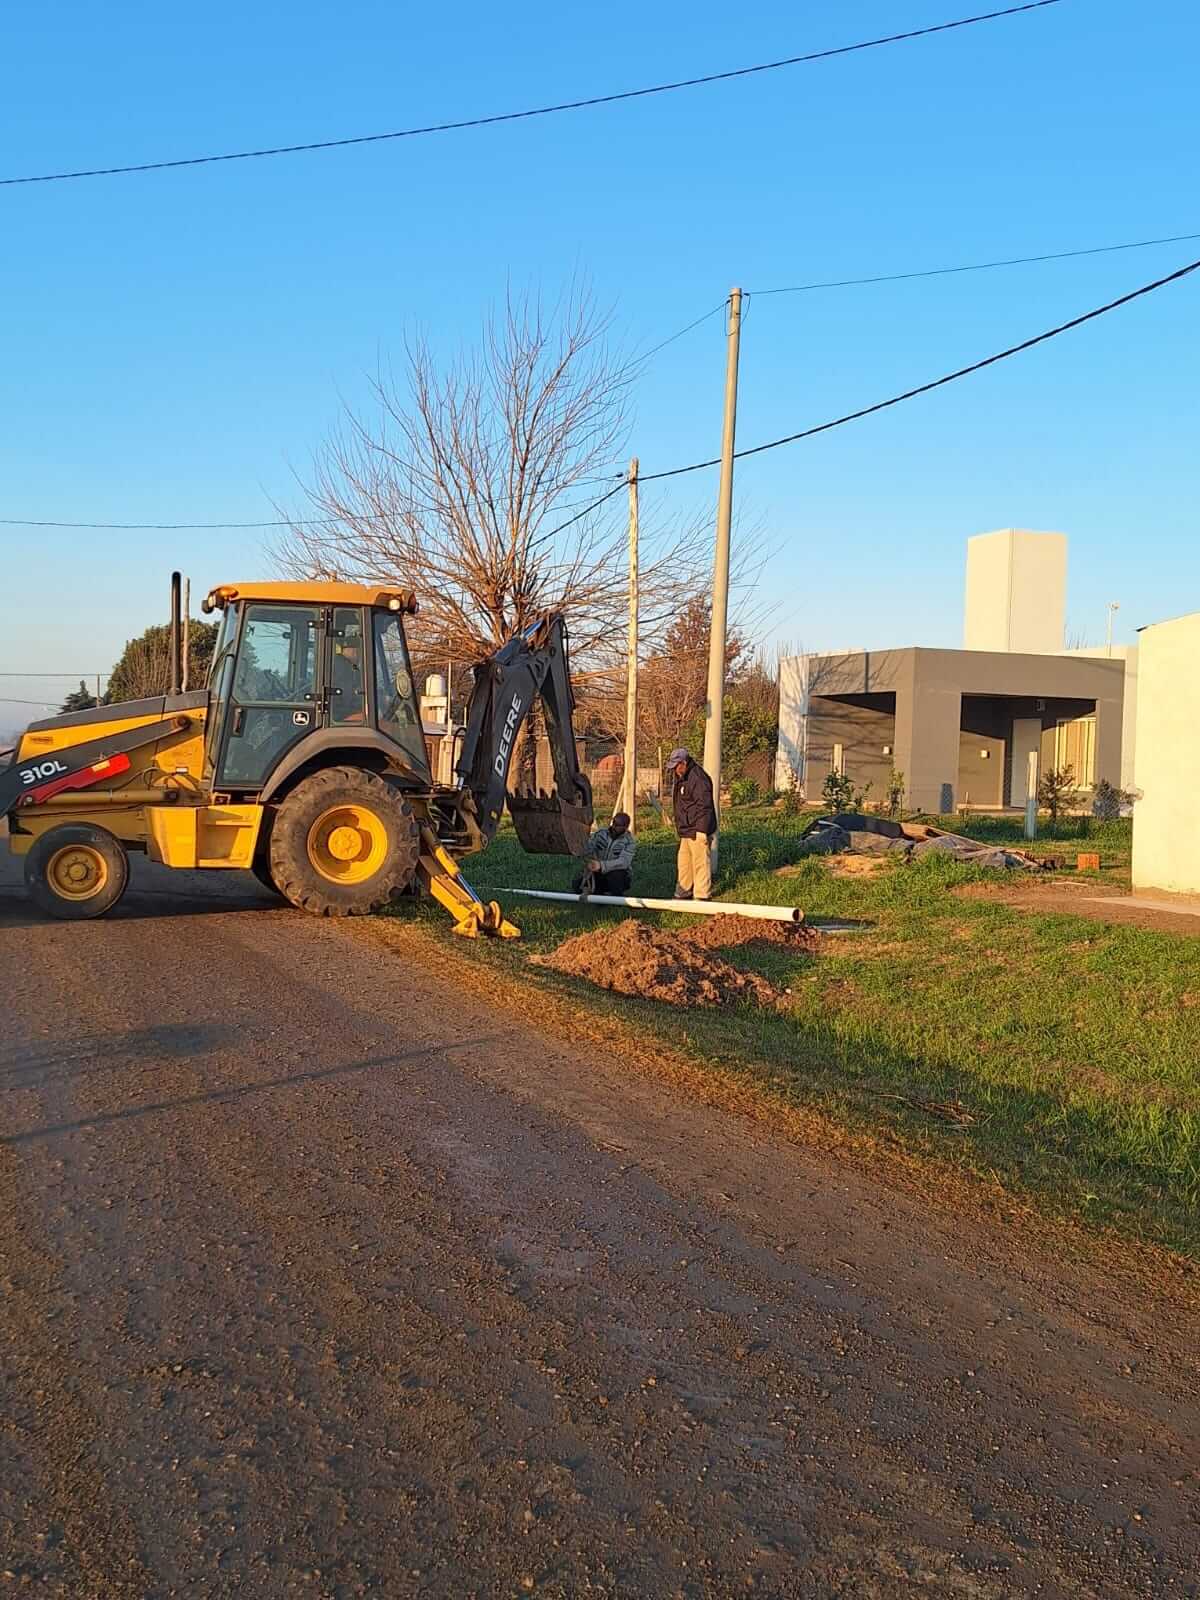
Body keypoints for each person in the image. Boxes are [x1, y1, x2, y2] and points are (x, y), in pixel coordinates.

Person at [669, 746, 716, 900]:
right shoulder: (682, 777)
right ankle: (684, 891)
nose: (675, 770)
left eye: (676, 766)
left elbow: (705, 806)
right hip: (686, 830)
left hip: (697, 828)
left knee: (700, 862)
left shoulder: (698, 778)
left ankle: (702, 895)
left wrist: (702, 831)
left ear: (684, 762)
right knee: (684, 863)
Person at [573, 812, 636, 896]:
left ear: (625, 827)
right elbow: (589, 847)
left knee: (616, 877)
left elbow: (624, 862)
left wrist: (601, 865)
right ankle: (600, 893)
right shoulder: (600, 834)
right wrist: (579, 847)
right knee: (577, 886)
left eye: (618, 825)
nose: (614, 826)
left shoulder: (629, 842)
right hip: (598, 871)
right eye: (614, 823)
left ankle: (616, 898)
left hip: (616, 874)